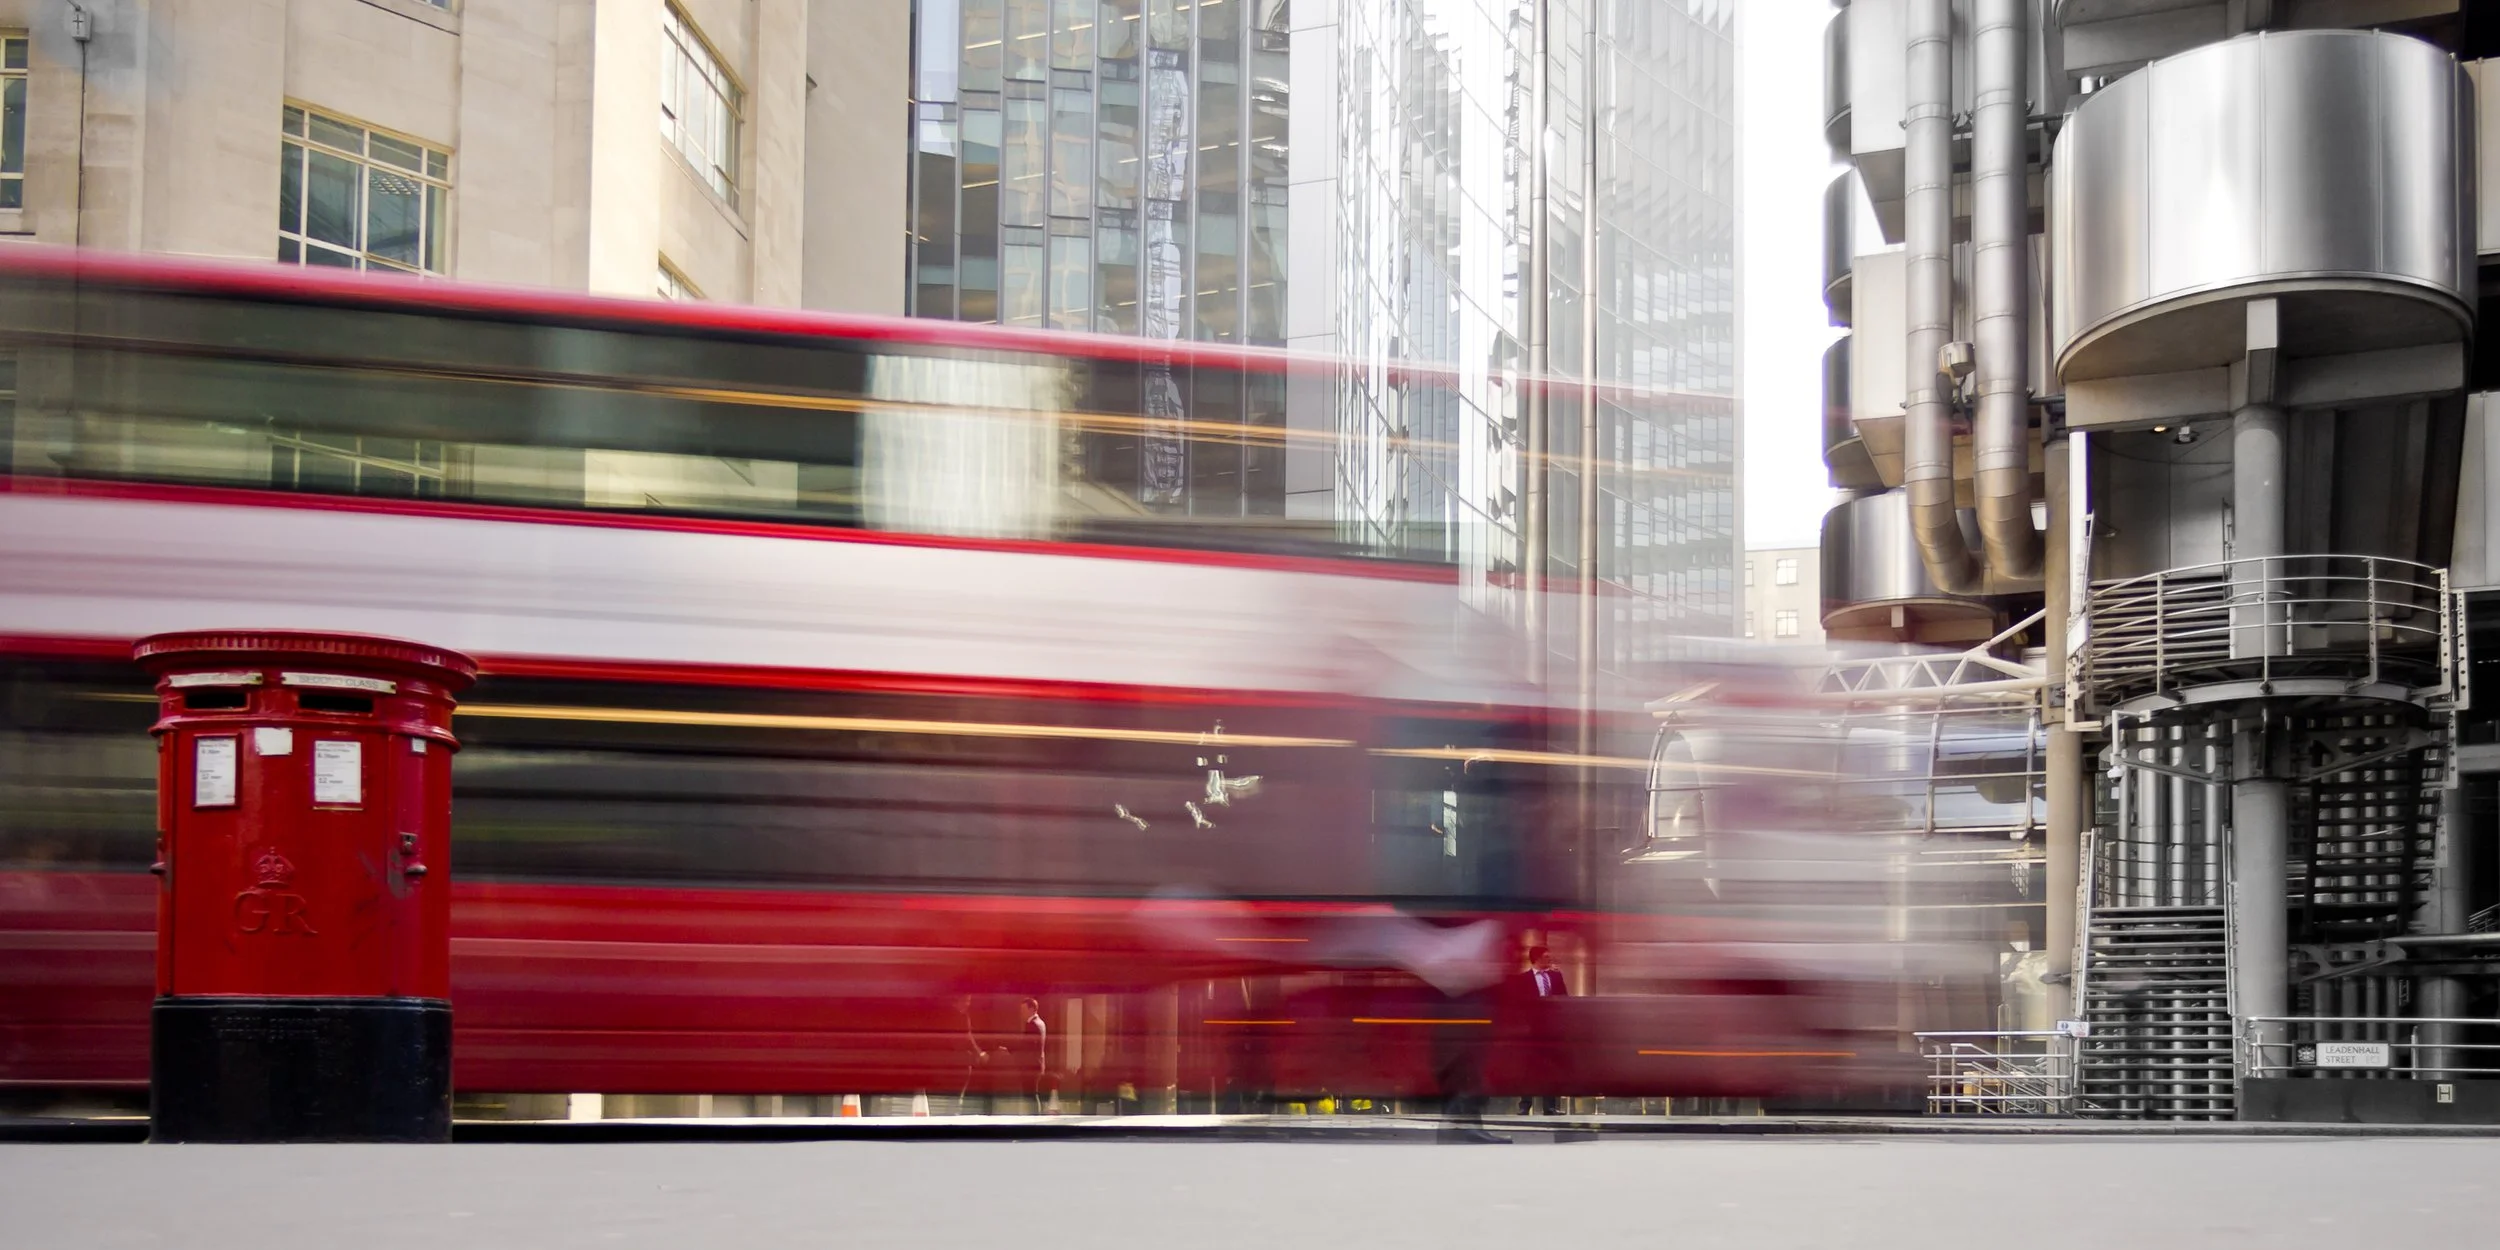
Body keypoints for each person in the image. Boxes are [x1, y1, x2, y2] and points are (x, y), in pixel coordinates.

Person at [1516, 945, 1570, 1115]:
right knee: (1528, 1068)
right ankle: (1525, 1105)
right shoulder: (1523, 979)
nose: (1549, 959)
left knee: (1551, 1068)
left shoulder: (1555, 976)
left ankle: (1550, 1106)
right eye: (1546, 957)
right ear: (1537, 958)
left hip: (1552, 1029)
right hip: (1530, 1030)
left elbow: (1564, 1000)